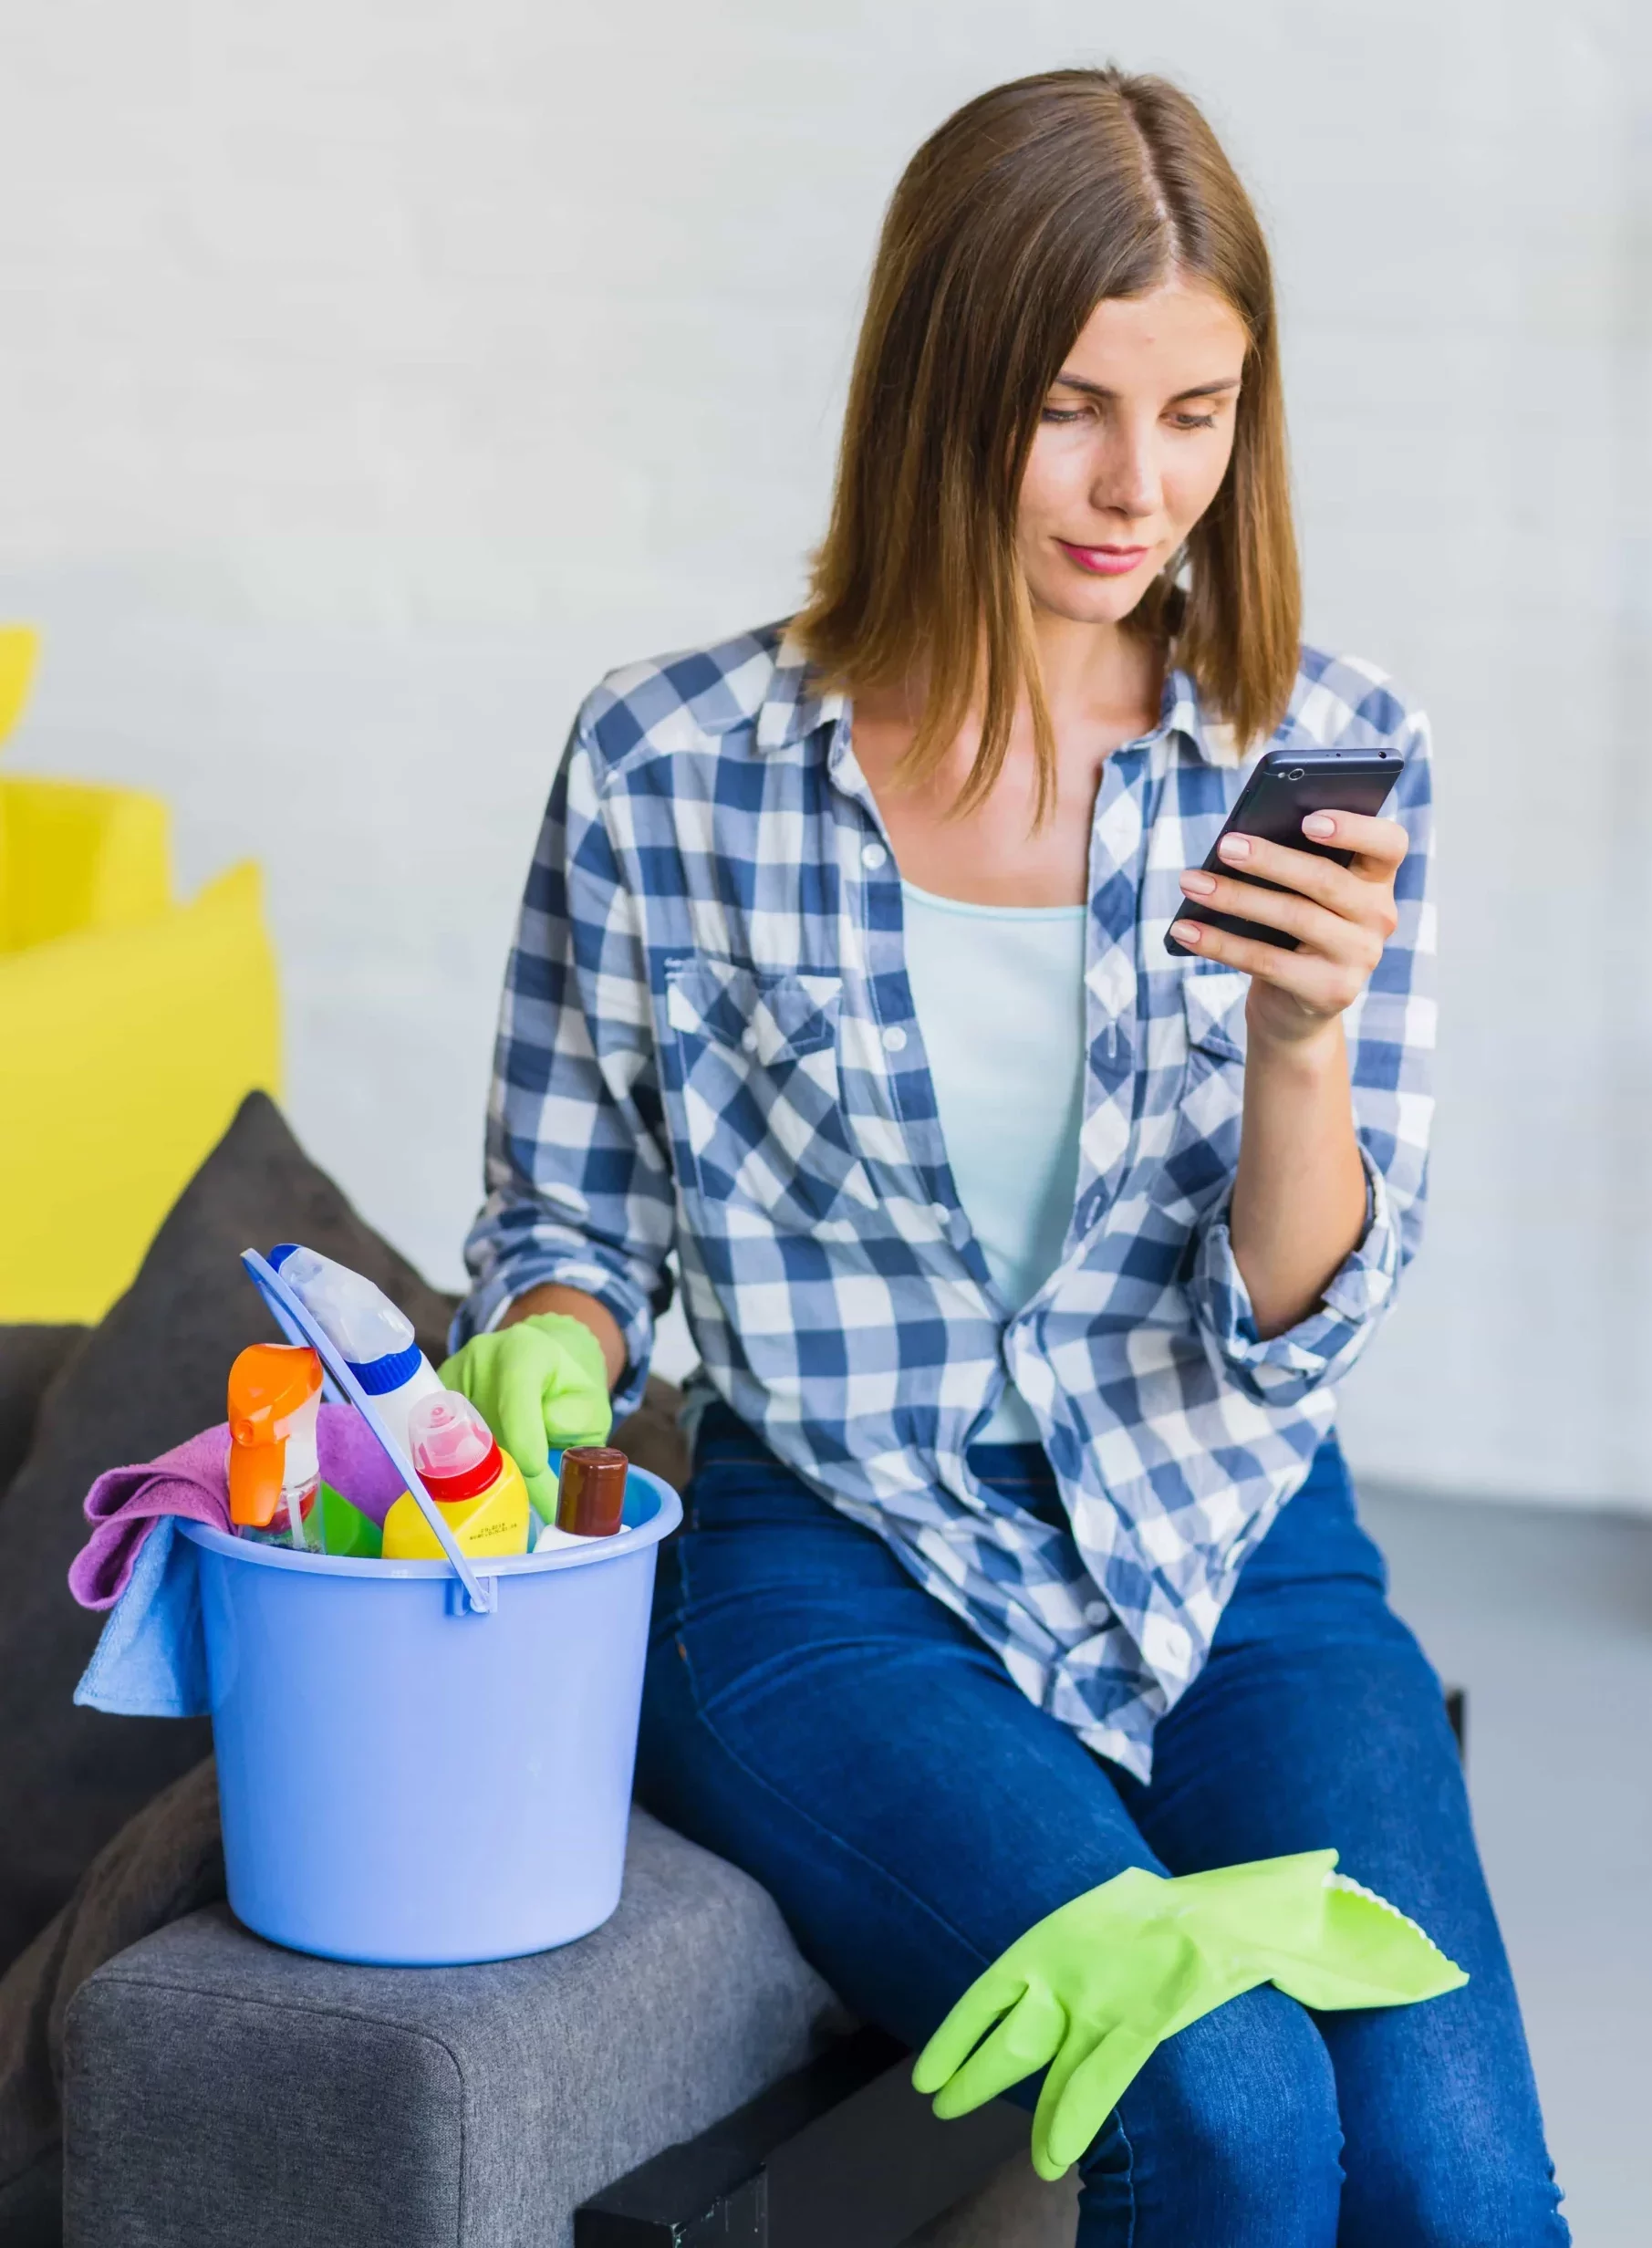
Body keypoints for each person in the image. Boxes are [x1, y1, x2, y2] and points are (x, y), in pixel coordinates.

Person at [448, 66, 1567, 2246]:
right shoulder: (671, 766)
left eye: (1198, 410)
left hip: (1235, 1542)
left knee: (1447, 2170)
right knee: (1223, 2106)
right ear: (937, 381)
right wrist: (555, 1343)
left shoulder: (1316, 756)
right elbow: (567, 1209)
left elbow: (1286, 1329)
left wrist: (1299, 1042)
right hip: (830, 1561)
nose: (1135, 487)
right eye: (1070, 404)